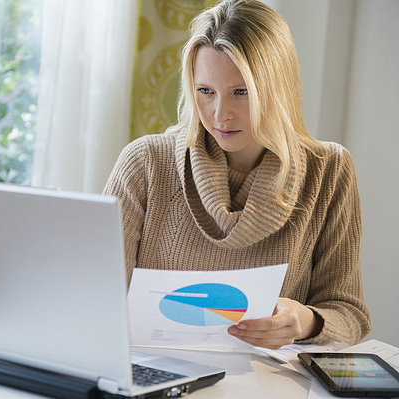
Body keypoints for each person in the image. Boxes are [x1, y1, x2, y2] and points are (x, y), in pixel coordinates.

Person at [103, 0, 370, 349]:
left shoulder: (330, 170)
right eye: (205, 91)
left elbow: (349, 313)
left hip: (262, 380)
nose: (220, 114)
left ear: (278, 89)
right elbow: (97, 296)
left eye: (241, 92)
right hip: (154, 372)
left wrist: (304, 320)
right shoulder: (146, 163)